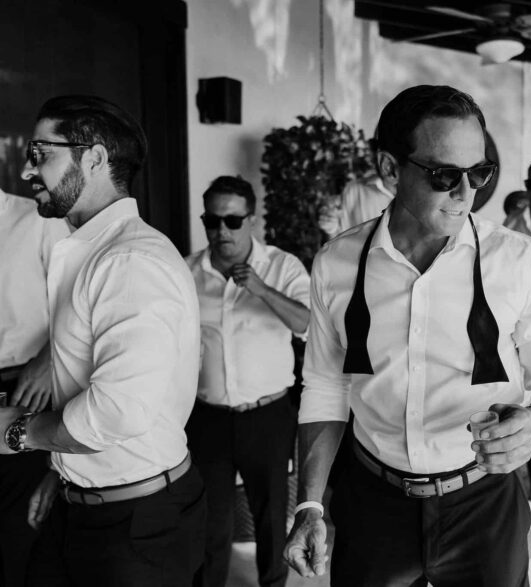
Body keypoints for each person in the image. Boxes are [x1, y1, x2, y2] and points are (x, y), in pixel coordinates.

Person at [283, 85, 531, 587]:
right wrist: (309, 505)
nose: (466, 193)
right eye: (444, 175)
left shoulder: (519, 260)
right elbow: (325, 386)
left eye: (479, 173)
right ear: (389, 169)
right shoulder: (336, 264)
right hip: (373, 502)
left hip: (484, 502)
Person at [0, 95, 206, 586]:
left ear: (93, 158)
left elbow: (117, 412)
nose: (28, 171)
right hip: (82, 499)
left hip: (138, 525)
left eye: (40, 154)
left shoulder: (129, 262)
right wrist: (62, 472)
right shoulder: (89, 252)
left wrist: (18, 433)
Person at [186, 175, 311, 587]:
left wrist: (261, 289)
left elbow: (309, 324)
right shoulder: (187, 272)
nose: (222, 230)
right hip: (207, 417)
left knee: (272, 517)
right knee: (210, 521)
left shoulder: (282, 266)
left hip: (267, 416)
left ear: (252, 220)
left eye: (233, 221)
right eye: (212, 220)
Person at [0, 188, 67, 587]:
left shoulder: (38, 219)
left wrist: (49, 360)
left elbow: (76, 301)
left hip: (25, 386)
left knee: (20, 528)